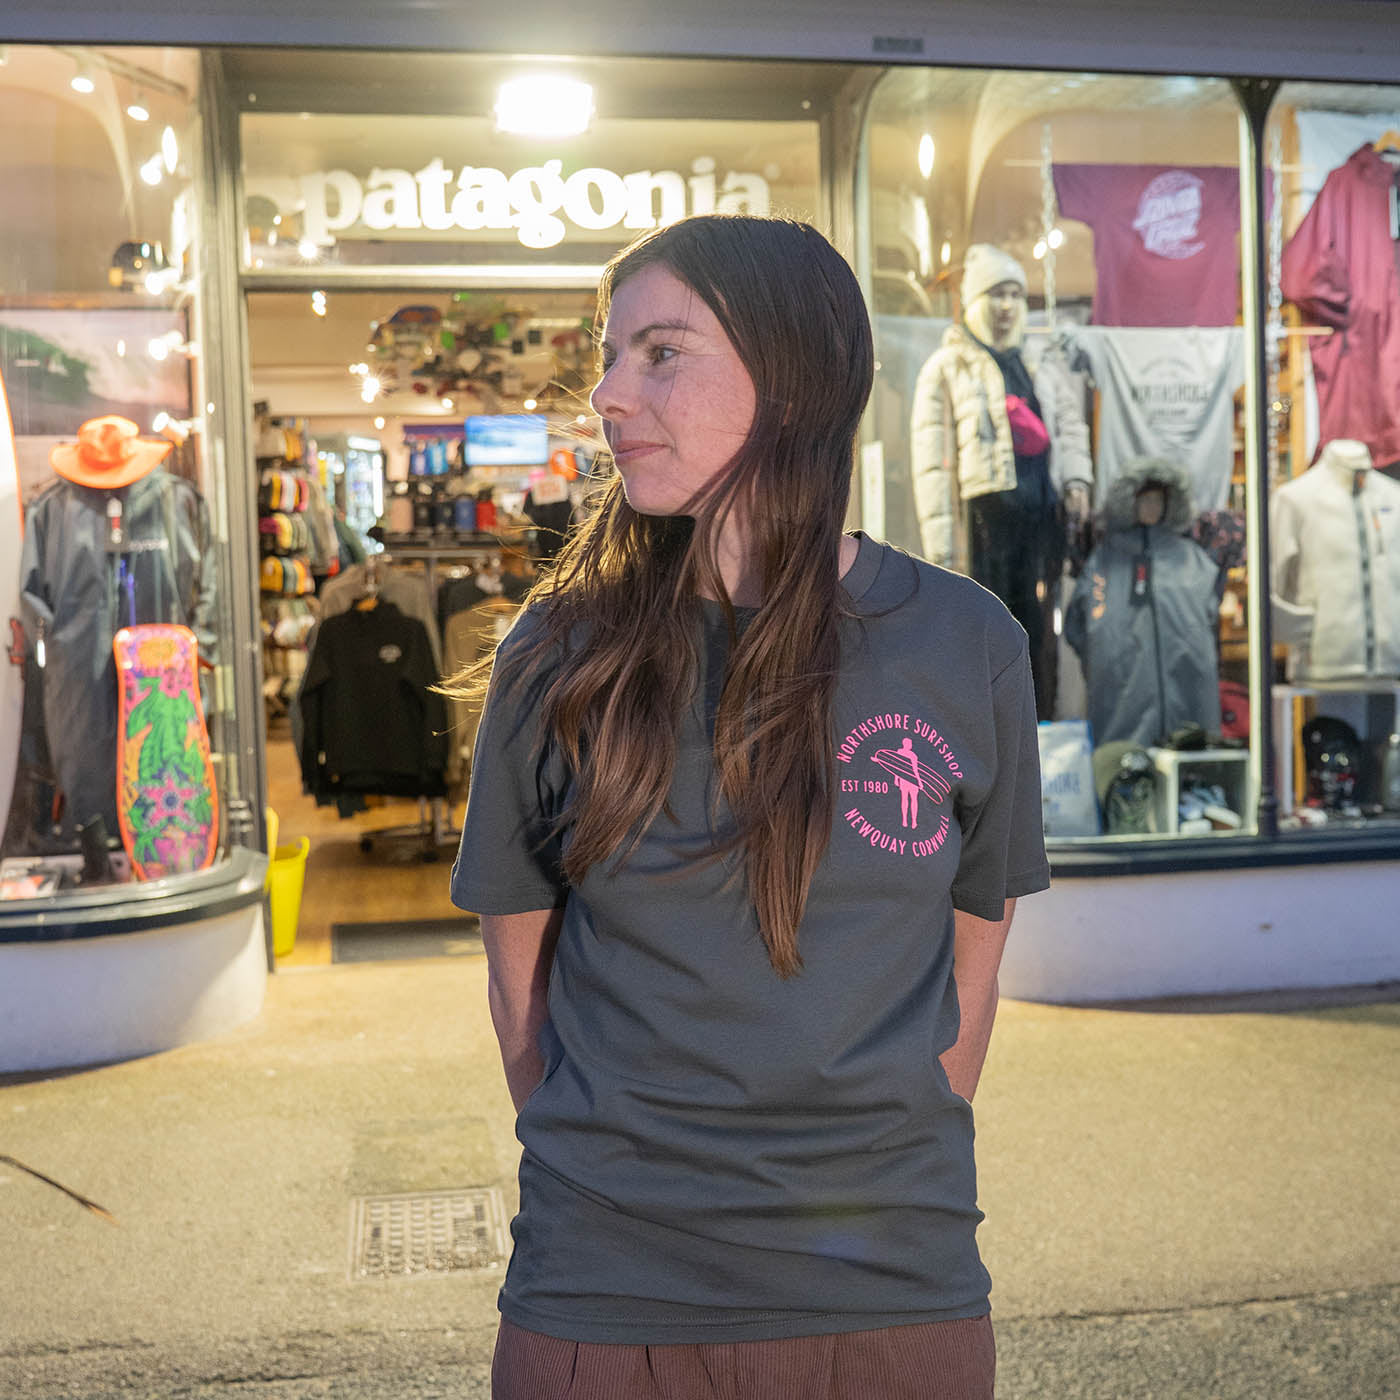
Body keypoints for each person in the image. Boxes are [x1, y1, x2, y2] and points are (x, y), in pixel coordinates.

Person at [445, 214, 1050, 1400]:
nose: (609, 394)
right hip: (605, 1294)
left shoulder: (963, 640)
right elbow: (521, 987)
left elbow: (969, 961)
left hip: (891, 1287)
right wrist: (621, 1183)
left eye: (659, 351)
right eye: (610, 354)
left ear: (794, 374)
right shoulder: (560, 649)